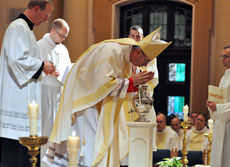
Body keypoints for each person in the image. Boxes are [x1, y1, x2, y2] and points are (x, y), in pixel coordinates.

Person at [43, 27, 171, 167]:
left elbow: (117, 84)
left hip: (96, 99)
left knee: (95, 144)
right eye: (145, 60)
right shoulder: (113, 51)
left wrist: (135, 83)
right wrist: (133, 81)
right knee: (87, 145)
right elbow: (104, 83)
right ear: (138, 52)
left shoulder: (127, 55)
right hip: (86, 100)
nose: (145, 65)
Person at [0, 1, 54, 167]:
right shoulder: (18, 27)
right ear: (36, 9)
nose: (45, 20)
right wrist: (42, 65)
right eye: (45, 16)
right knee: (15, 155)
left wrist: (41, 64)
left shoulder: (26, 29)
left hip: (24, 99)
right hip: (17, 102)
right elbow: (17, 58)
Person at [119, 25, 159, 166]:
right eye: (133, 35)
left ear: (142, 38)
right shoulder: (122, 52)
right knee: (124, 145)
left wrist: (140, 75)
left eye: (138, 36)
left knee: (142, 146)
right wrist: (133, 78)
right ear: (128, 37)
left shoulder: (149, 56)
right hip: (124, 103)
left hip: (142, 103)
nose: (135, 38)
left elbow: (153, 78)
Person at [37, 18, 72, 164]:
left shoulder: (63, 49)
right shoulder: (39, 46)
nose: (63, 39)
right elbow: (30, 70)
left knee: (59, 134)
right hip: (45, 93)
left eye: (66, 36)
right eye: (62, 35)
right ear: (53, 31)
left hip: (59, 94)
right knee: (47, 132)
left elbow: (67, 68)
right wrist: (46, 72)